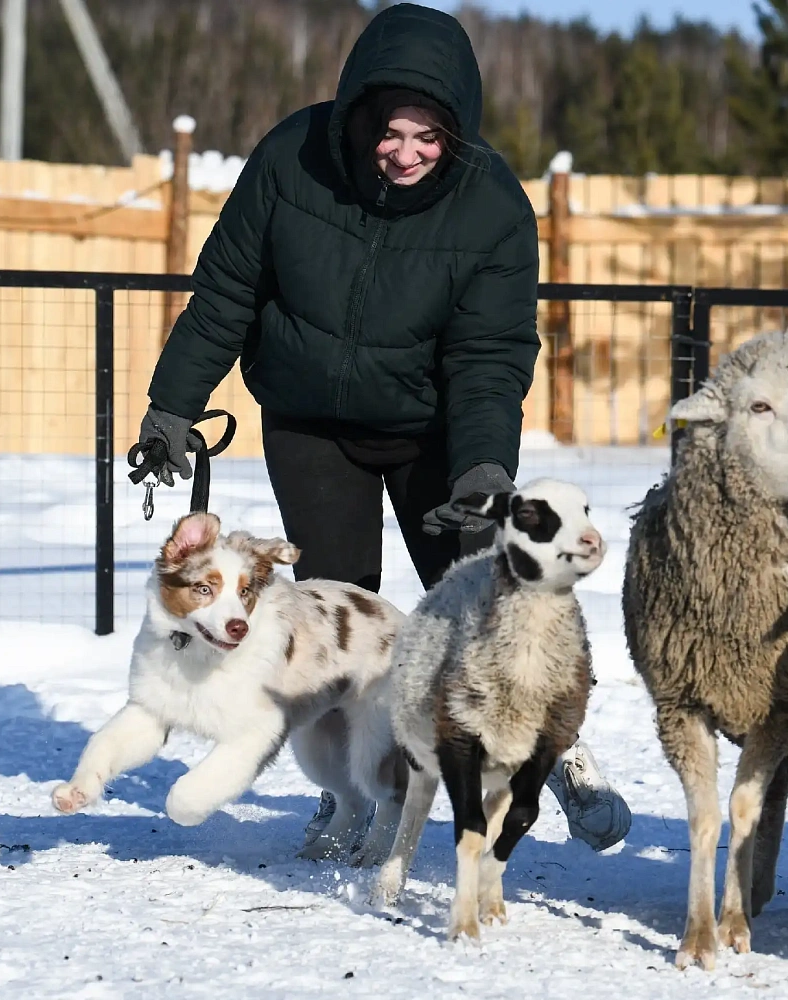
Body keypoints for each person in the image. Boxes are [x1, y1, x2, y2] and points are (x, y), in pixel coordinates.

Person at [137, 2, 630, 851]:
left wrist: (481, 468)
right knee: (334, 618)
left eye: (430, 138)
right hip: (311, 421)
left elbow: (489, 353)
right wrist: (172, 404)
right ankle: (347, 795)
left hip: (434, 429)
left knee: (495, 609)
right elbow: (225, 292)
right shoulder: (294, 158)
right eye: (392, 132)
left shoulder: (494, 209)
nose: (406, 154)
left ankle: (562, 748)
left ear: (457, 135)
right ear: (360, 114)